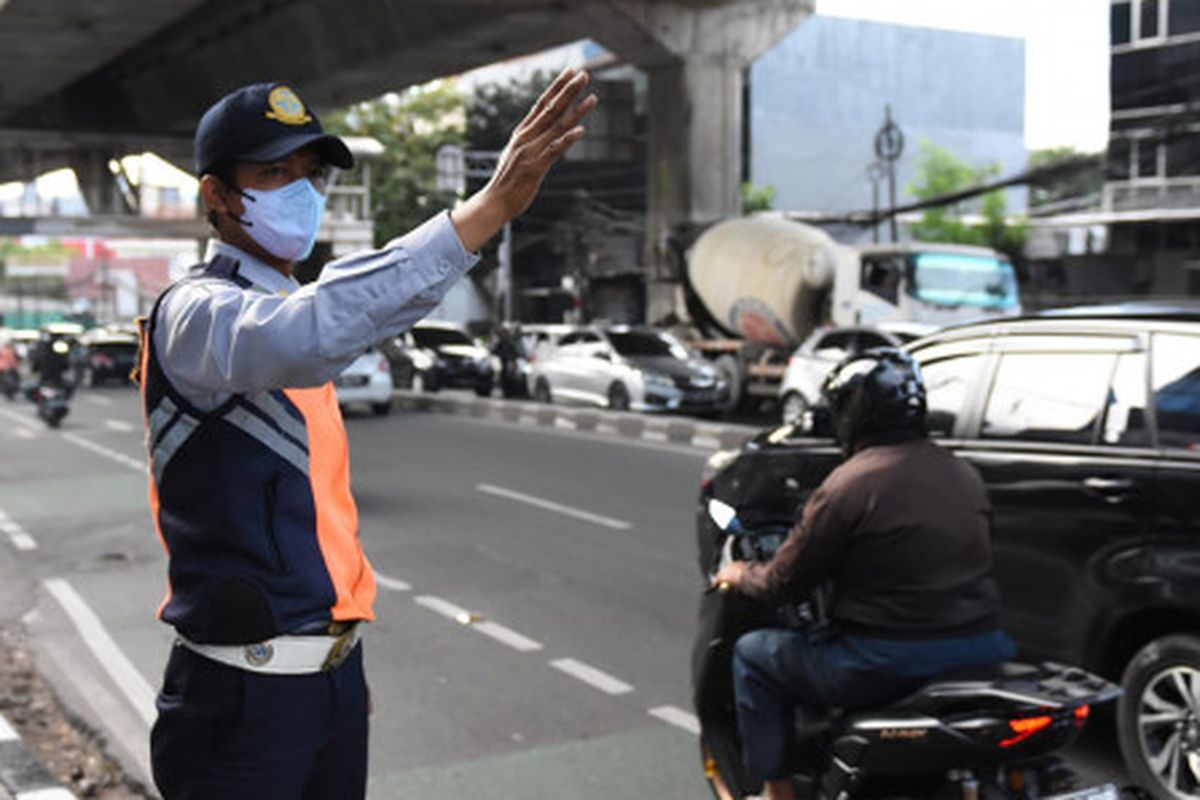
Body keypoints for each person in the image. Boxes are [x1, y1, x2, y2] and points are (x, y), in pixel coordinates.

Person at [140, 74, 595, 800]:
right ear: (216, 196)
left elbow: (353, 326)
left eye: (311, 174)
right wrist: (485, 211)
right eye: (274, 173)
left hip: (325, 684)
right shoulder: (196, 312)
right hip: (242, 699)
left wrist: (336, 666)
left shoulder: (293, 302)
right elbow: (310, 332)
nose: (302, 192)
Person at [712, 348, 1014, 800]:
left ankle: (776, 792)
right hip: (983, 648)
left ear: (853, 412)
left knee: (753, 655)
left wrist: (740, 573)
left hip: (884, 662)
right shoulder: (963, 473)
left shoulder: (850, 483)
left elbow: (783, 582)